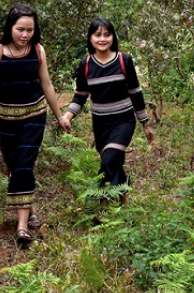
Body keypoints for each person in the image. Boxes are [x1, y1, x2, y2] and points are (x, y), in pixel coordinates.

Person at [0, 4, 71, 245]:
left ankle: (21, 228)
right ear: (10, 27)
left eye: (30, 30)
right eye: (20, 29)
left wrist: (60, 116)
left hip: (34, 116)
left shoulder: (38, 51)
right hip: (6, 120)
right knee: (14, 166)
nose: (25, 35)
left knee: (24, 165)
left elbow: (47, 85)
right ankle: (29, 210)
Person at [62, 18, 154, 206]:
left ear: (113, 37)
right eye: (97, 35)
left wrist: (145, 123)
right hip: (101, 124)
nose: (102, 39)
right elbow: (80, 95)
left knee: (110, 158)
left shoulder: (123, 60)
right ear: (90, 38)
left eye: (107, 34)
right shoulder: (86, 64)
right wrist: (68, 116)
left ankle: (103, 203)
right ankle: (122, 197)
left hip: (124, 121)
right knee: (113, 161)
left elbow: (135, 92)